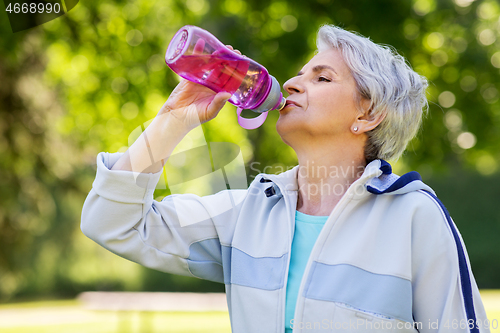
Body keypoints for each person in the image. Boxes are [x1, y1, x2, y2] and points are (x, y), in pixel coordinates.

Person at [81, 25, 490, 332]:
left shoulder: (414, 217)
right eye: (299, 74)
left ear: (367, 115)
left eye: (322, 77)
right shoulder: (246, 216)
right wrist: (173, 120)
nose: (292, 82)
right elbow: (113, 223)